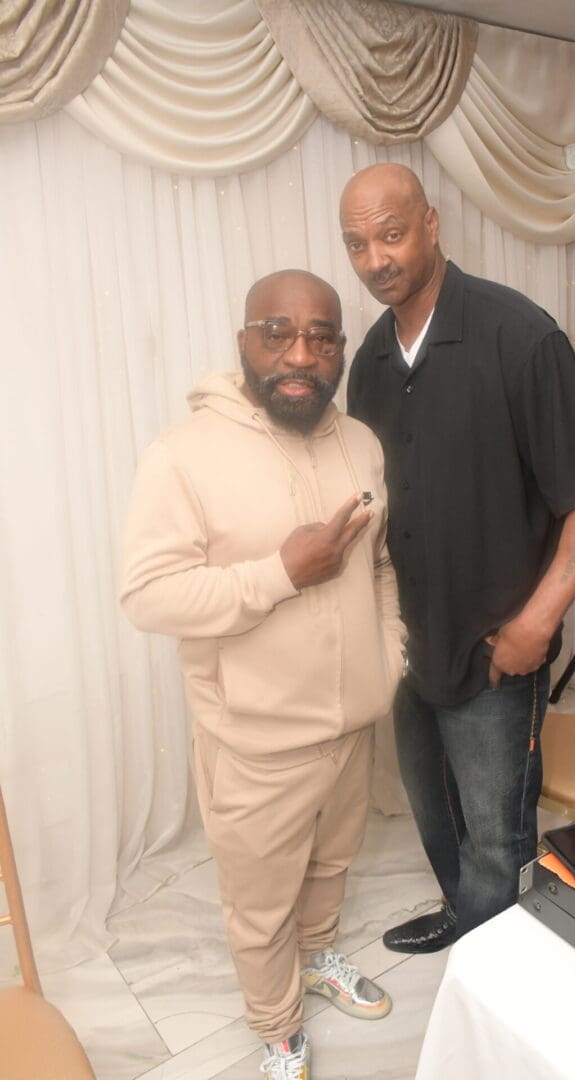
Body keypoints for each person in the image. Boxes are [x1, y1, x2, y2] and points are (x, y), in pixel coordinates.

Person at [340, 163, 575, 953]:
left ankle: (491, 982)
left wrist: (537, 623)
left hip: (498, 652)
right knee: (435, 813)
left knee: (498, 839)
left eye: (392, 234)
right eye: (357, 244)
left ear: (433, 224)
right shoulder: (368, 361)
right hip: (408, 645)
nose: (376, 259)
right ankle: (465, 919)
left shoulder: (519, 335)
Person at [120, 269, 407, 1080]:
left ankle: (319, 958)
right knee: (258, 906)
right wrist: (279, 573)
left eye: (321, 338)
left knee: (332, 865)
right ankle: (278, 1028)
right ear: (244, 341)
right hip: (255, 743)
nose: (300, 355)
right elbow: (147, 594)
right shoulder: (184, 455)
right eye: (277, 332)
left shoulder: (361, 443)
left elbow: (379, 564)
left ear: (342, 352)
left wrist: (385, 664)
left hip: (353, 723)